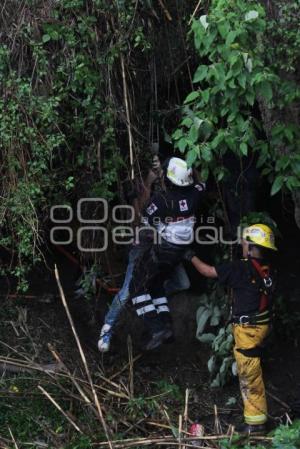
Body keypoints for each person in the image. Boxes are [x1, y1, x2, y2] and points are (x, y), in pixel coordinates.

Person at [184, 223, 277, 434]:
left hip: (248, 329)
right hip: (261, 326)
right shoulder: (268, 269)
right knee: (251, 370)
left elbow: (207, 271)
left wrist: (190, 256)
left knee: (248, 373)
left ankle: (255, 424)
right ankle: (257, 418)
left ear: (251, 246)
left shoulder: (241, 268)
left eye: (244, 242)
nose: (242, 245)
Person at [98, 154, 190, 352]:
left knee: (183, 282)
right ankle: (107, 328)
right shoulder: (140, 187)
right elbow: (136, 220)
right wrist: (149, 181)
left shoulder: (172, 190)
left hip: (165, 247)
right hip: (143, 247)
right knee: (127, 292)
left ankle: (148, 299)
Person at [129, 157, 206, 351]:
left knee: (136, 287)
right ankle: (166, 326)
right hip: (179, 251)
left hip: (163, 249)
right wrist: (191, 167)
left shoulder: (162, 200)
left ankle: (157, 329)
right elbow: (201, 181)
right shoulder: (195, 194)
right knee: (155, 284)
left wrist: (149, 181)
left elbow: (140, 217)